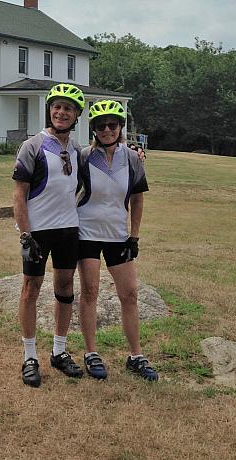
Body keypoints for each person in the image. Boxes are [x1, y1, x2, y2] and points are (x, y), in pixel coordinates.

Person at [77, 99, 158, 382]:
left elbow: (137, 198)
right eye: (101, 126)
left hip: (118, 235)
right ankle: (91, 352)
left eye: (112, 125)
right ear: (94, 130)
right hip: (86, 231)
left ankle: (136, 355)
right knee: (90, 292)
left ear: (120, 127)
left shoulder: (133, 158)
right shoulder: (84, 157)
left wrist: (134, 235)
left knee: (130, 294)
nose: (107, 130)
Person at [13, 83, 85, 387]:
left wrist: (135, 153)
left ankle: (58, 351)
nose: (61, 112)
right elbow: (19, 194)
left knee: (65, 288)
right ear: (50, 110)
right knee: (31, 289)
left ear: (76, 115)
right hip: (38, 232)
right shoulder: (32, 146)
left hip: (68, 230)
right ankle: (30, 356)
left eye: (68, 108)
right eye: (57, 106)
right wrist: (26, 234)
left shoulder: (78, 150)